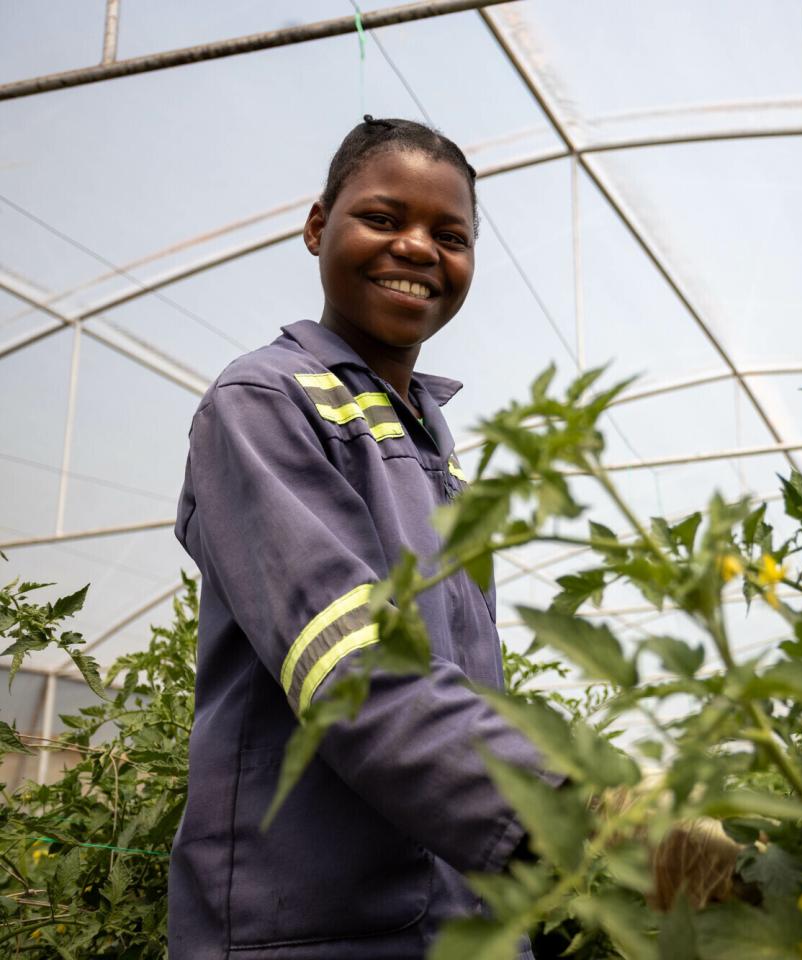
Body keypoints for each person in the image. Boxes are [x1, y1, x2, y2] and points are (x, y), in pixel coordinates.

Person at [170, 116, 553, 959]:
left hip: (461, 920)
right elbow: (348, 659)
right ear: (317, 228)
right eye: (384, 219)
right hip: (311, 925)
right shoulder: (265, 401)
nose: (417, 248)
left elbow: (465, 680)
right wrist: (569, 799)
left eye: (448, 236)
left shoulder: (435, 447)